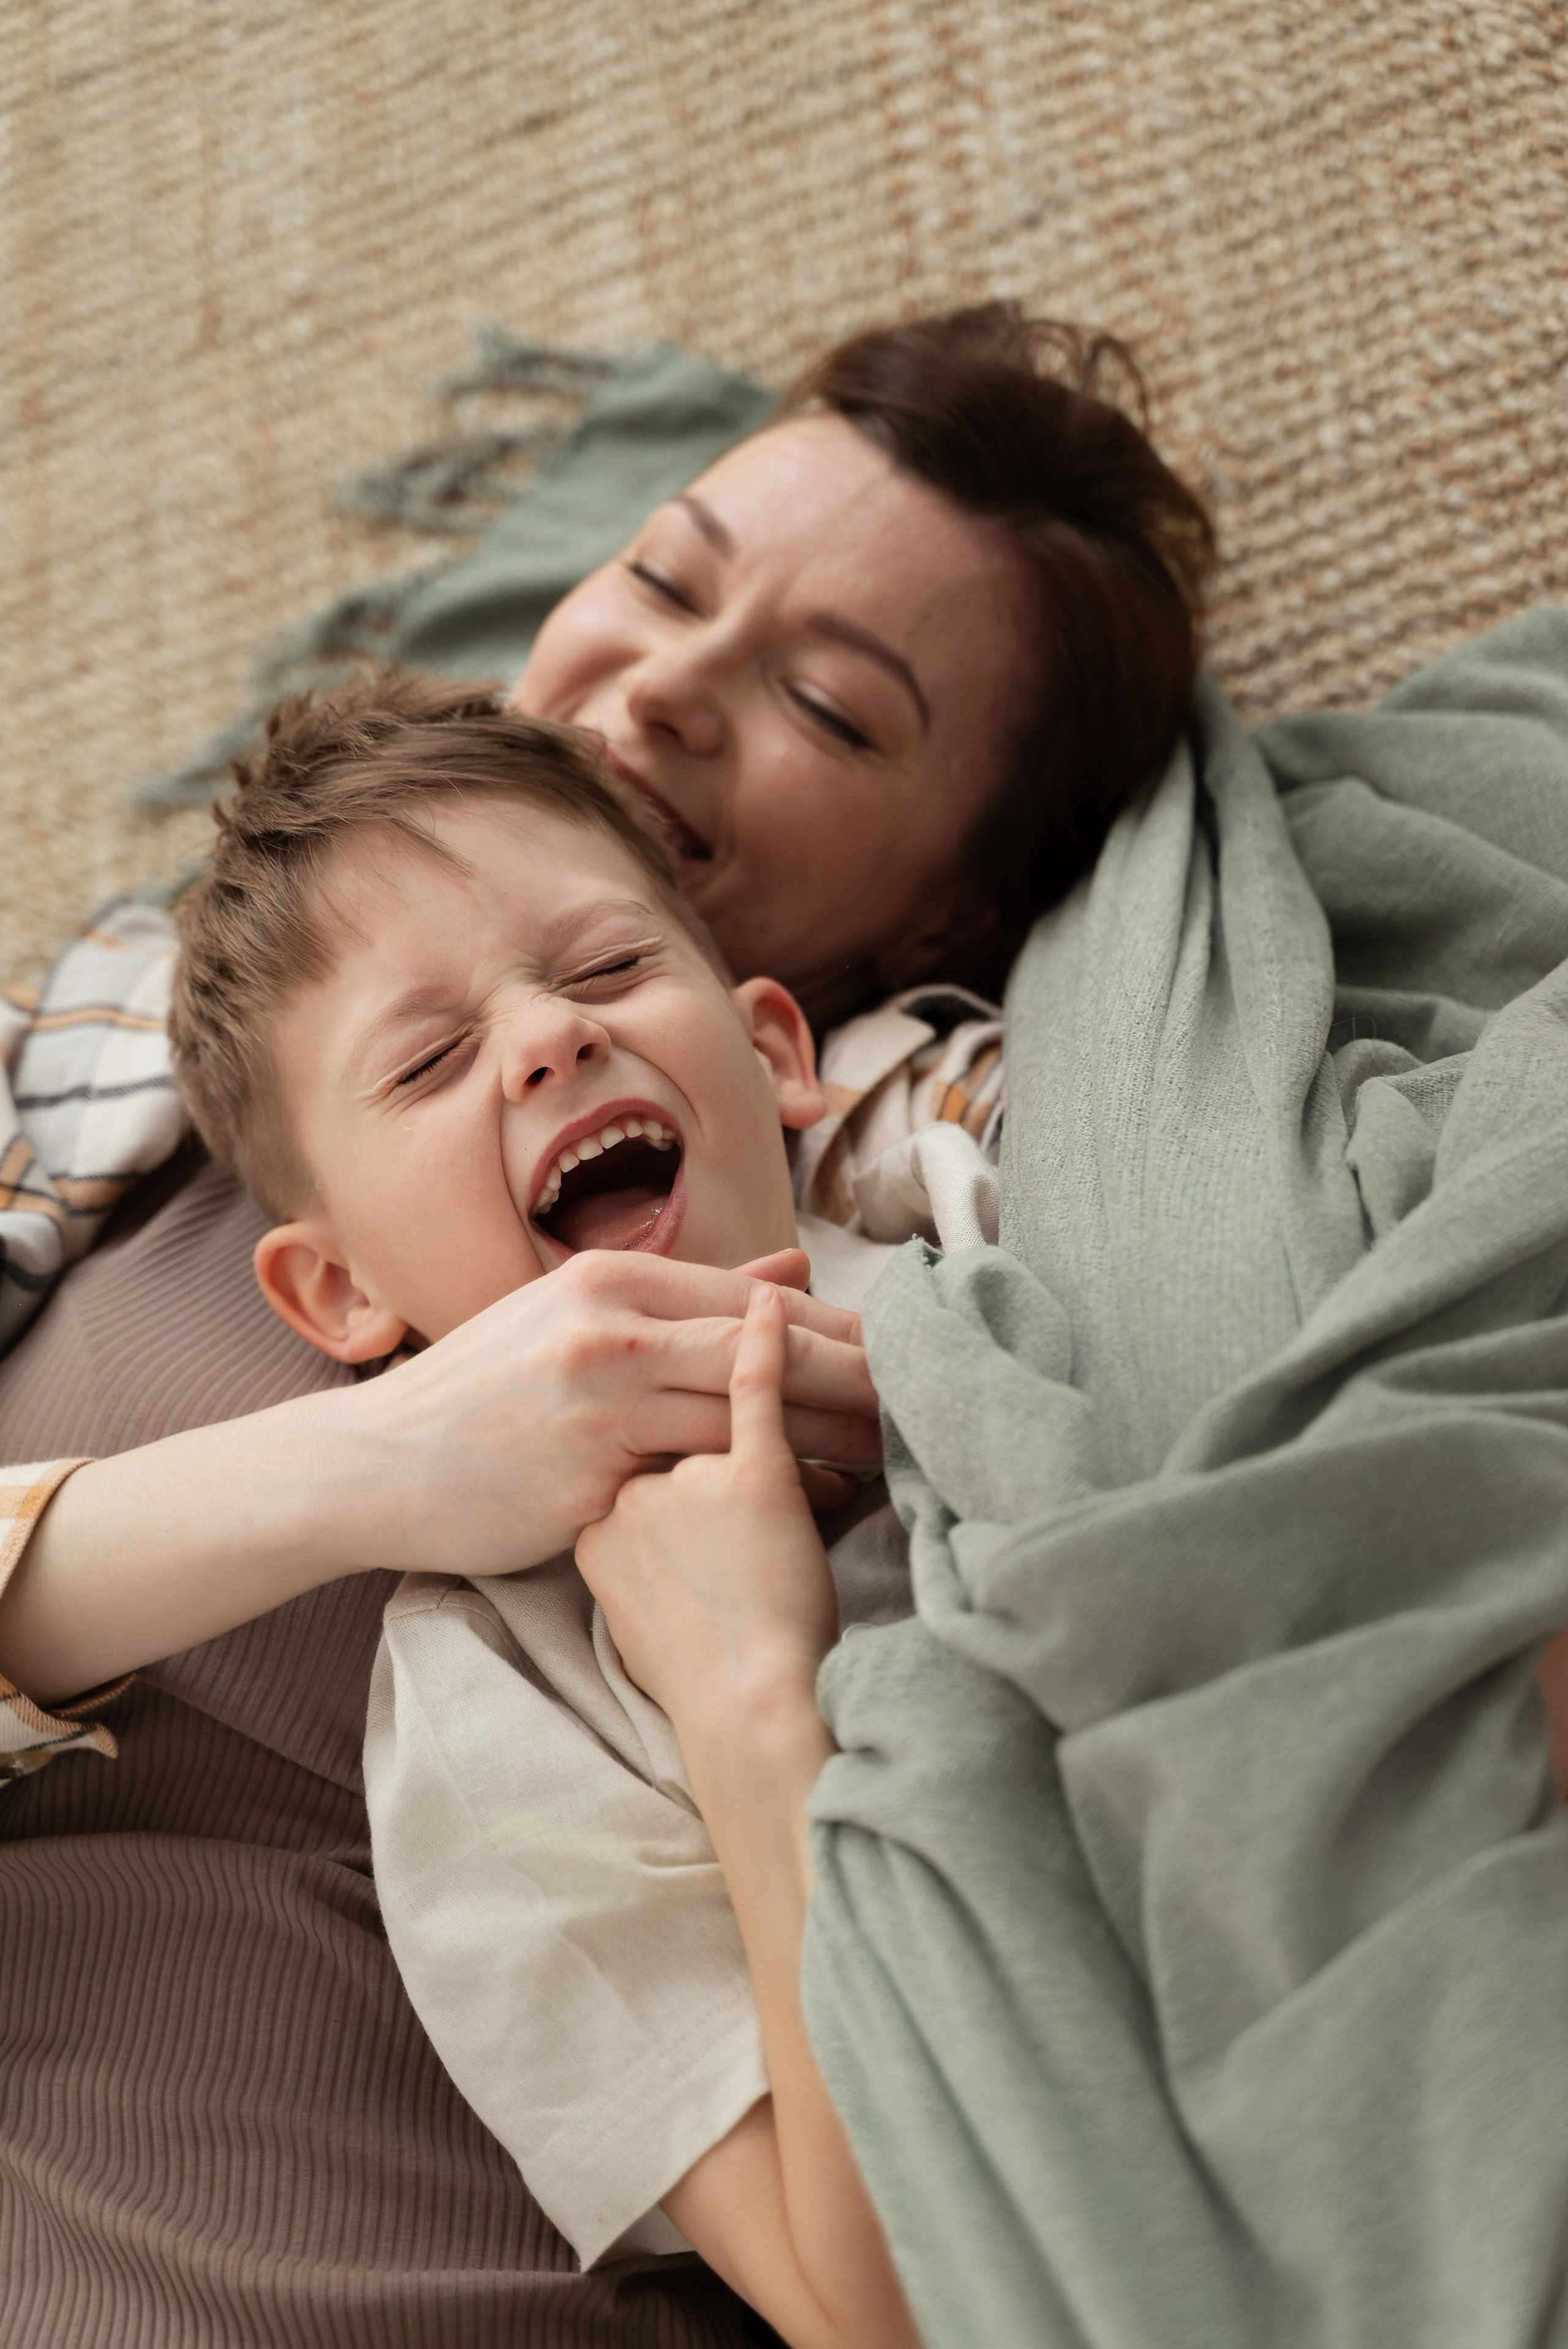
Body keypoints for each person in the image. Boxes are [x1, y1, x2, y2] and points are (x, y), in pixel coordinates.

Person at [0, 304, 1213, 2343]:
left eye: (829, 708)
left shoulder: (941, 1153)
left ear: (938, 914)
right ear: (330, 1282)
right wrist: (381, 1464)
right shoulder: (139, 1014)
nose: (657, 688)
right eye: (658, 577)